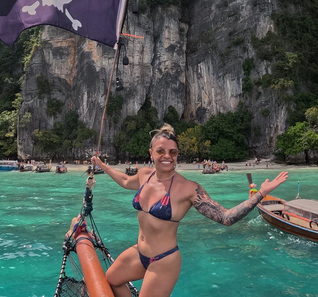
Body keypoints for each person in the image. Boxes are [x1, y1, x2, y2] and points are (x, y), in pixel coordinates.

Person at [90, 124, 288, 297]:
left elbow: (226, 217)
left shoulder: (188, 188)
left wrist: (260, 193)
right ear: (151, 152)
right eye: (161, 151)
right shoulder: (145, 175)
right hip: (138, 252)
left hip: (164, 261)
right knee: (113, 278)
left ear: (177, 155)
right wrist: (102, 166)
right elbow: (125, 181)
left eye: (173, 152)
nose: (167, 156)